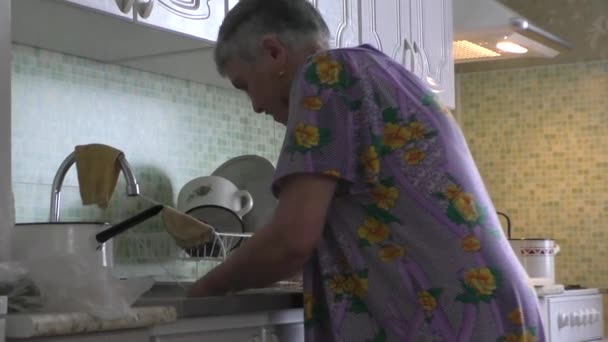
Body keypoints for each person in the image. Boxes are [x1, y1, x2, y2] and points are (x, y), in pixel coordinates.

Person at [187, 0, 545, 340]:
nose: (255, 106)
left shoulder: (326, 74)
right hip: (484, 313)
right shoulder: (370, 70)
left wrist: (202, 291)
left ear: (274, 52)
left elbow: (291, 241)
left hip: (457, 321)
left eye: (245, 85)